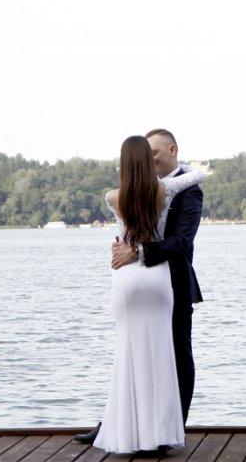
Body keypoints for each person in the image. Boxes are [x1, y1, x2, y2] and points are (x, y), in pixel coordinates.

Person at [88, 134, 206, 454]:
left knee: (174, 357)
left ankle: (168, 427)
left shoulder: (185, 192)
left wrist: (136, 251)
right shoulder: (162, 190)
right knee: (145, 353)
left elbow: (181, 241)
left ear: (171, 150)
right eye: (147, 154)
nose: (152, 159)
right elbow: (201, 172)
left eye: (156, 152)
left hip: (174, 281)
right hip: (153, 282)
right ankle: (124, 423)